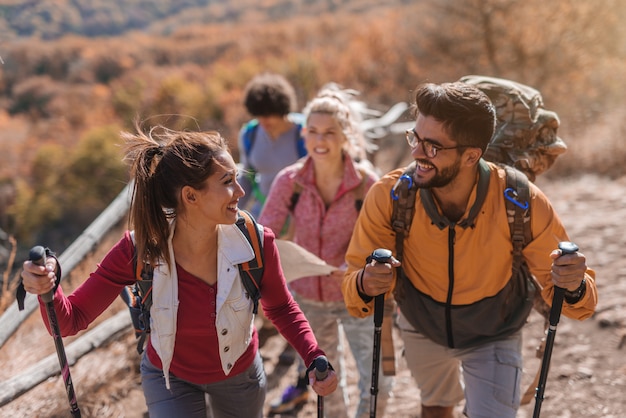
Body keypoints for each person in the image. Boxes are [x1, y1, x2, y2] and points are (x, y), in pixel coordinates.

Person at [20, 125, 337, 418]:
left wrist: (313, 356)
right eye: (228, 182)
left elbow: (280, 306)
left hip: (240, 376)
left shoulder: (256, 241)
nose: (241, 192)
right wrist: (48, 286)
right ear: (190, 196)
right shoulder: (138, 249)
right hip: (169, 377)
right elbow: (69, 320)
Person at [342, 81, 598, 418]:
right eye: (415, 139)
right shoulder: (390, 196)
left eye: (433, 147)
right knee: (435, 408)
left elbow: (581, 304)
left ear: (471, 156)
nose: (417, 153)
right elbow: (353, 287)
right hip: (422, 326)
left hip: (495, 332)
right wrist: (364, 283)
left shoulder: (520, 200)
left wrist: (574, 283)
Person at [259, 84, 392, 417]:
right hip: (308, 299)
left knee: (379, 384)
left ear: (345, 135)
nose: (320, 140)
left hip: (357, 297)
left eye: (329, 132)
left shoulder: (366, 183)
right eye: (313, 132)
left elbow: (382, 241)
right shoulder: (290, 181)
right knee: (327, 385)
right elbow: (263, 235)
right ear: (304, 135)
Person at [237, 72, 307, 218]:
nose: (263, 120)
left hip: (298, 216)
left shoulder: (303, 133)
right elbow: (247, 178)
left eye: (268, 115)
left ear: (281, 108)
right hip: (262, 212)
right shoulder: (249, 134)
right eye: (258, 114)